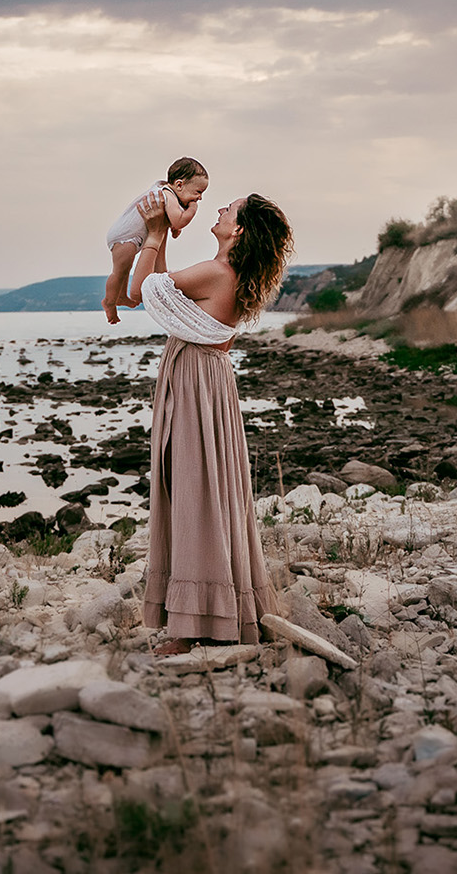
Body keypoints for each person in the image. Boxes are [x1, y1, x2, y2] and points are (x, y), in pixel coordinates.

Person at [122, 188, 293, 652]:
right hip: (205, 378)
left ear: (237, 229)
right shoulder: (224, 274)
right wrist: (162, 242)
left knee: (194, 492)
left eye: (228, 209)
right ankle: (202, 609)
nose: (219, 210)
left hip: (196, 380)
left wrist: (156, 232)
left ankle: (191, 624)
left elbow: (138, 292)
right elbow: (165, 293)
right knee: (198, 488)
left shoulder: (217, 272)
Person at [102, 158, 209, 324]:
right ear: (179, 185)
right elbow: (179, 220)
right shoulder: (167, 195)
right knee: (120, 271)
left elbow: (171, 219)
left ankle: (121, 296)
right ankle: (109, 302)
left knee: (125, 269)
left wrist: (174, 227)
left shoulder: (164, 191)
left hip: (126, 235)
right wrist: (192, 210)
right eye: (198, 192)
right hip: (124, 238)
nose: (200, 198)